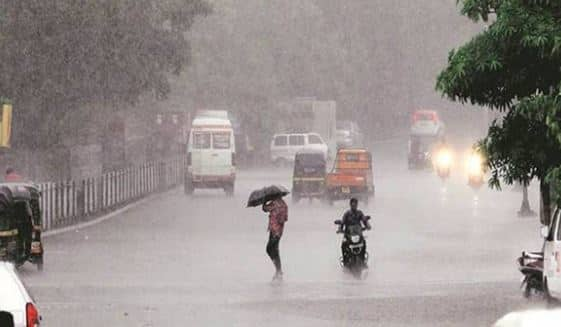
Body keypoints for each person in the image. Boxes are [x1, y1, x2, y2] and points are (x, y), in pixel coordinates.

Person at [338, 198, 371, 264]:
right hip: (348, 234)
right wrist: (340, 229)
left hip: (358, 234)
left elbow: (364, 220)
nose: (354, 206)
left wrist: (367, 226)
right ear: (350, 205)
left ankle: (363, 259)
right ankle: (345, 261)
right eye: (352, 204)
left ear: (357, 205)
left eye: (355, 204)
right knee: (343, 245)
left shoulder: (360, 213)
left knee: (363, 242)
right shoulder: (347, 214)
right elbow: (342, 222)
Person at [262, 197, 288, 281]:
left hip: (274, 231)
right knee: (275, 249)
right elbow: (285, 218)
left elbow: (265, 209)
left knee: (269, 249)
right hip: (278, 231)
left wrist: (264, 202)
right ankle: (278, 270)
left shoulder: (274, 204)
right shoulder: (284, 204)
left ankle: (278, 270)